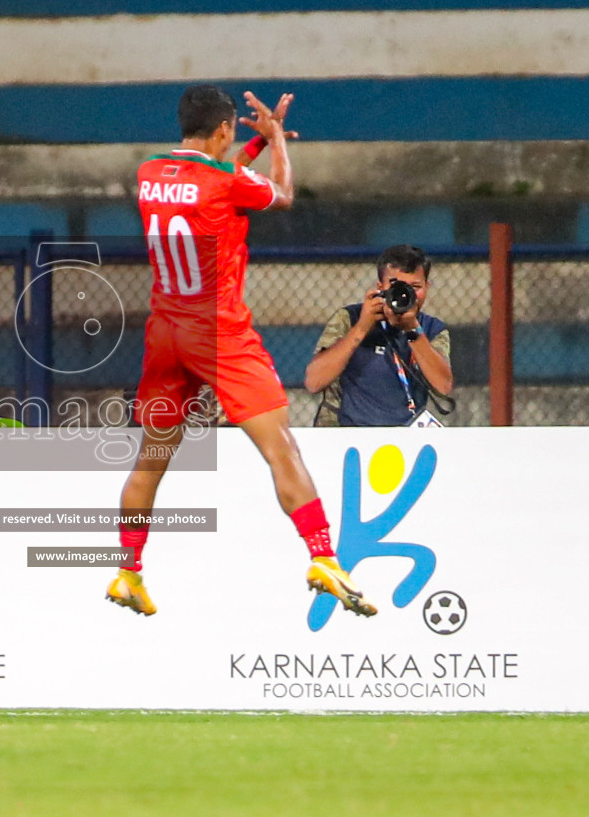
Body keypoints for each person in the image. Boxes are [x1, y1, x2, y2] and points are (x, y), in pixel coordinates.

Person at [106, 84, 376, 619]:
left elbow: (213, 181)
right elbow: (280, 192)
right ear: (225, 130)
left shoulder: (148, 174)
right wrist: (275, 141)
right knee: (281, 449)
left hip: (165, 331)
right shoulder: (226, 180)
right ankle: (323, 557)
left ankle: (128, 572)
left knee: (150, 461)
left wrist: (246, 149)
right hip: (219, 332)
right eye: (234, 134)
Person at [304, 245, 453, 427]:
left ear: (427, 287)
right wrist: (362, 327)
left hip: (405, 438)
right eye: (396, 286)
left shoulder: (431, 329)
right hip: (346, 434)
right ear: (380, 287)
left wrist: (412, 330)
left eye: (415, 286)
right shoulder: (350, 318)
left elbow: (443, 387)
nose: (406, 293)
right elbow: (313, 382)